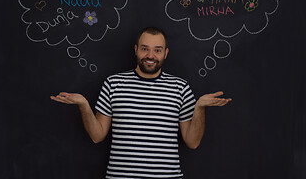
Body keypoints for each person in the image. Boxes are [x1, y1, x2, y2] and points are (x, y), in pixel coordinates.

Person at [51, 27, 232, 178]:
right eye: (145, 49)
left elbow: (192, 142)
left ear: (165, 53)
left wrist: (199, 107)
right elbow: (97, 136)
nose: (150, 55)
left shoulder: (180, 87)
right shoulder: (113, 84)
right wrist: (83, 105)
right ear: (136, 49)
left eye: (157, 50)